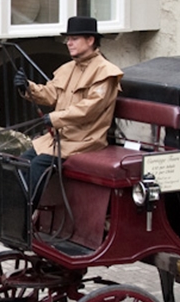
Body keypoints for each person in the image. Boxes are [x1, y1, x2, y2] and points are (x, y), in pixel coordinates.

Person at [13, 16, 123, 201]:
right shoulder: (69, 68)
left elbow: (90, 109)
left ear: (90, 40)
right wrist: (28, 88)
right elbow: (51, 94)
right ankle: (15, 211)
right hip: (59, 139)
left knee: (38, 166)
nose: (68, 43)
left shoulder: (106, 72)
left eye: (74, 39)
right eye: (68, 39)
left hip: (84, 141)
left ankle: (26, 215)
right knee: (20, 163)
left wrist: (55, 118)